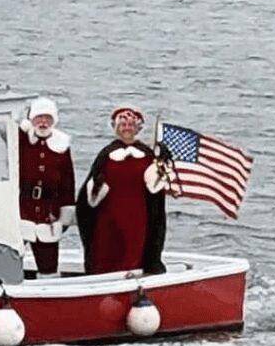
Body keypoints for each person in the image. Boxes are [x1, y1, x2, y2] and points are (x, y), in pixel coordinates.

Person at [75, 107, 170, 276]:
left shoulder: (147, 155)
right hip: (109, 217)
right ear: (116, 128)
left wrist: (161, 165)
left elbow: (157, 188)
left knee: (134, 251)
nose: (127, 128)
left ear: (137, 128)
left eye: (130, 125)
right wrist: (96, 185)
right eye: (123, 124)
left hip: (138, 216)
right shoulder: (106, 154)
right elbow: (89, 196)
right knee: (106, 251)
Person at [18, 97, 76, 278]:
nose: (43, 122)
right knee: (12, 257)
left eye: (47, 118)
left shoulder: (61, 147)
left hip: (48, 212)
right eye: (39, 117)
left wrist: (65, 215)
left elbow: (68, 182)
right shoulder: (23, 140)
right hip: (21, 210)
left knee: (48, 265)